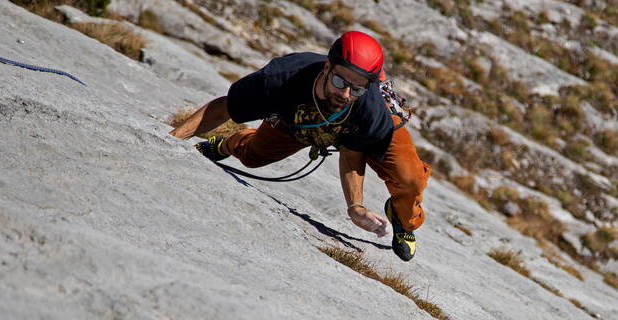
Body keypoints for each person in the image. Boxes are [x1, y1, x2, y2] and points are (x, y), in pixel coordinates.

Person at [170, 31, 430, 261]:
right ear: (327, 67)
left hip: (355, 128)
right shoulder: (282, 78)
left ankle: (402, 218)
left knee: (410, 179)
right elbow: (226, 107)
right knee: (252, 157)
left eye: (357, 89)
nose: (345, 94)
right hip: (300, 117)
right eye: (340, 82)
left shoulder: (371, 110)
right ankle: (228, 145)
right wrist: (170, 140)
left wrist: (355, 207)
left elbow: (353, 152)